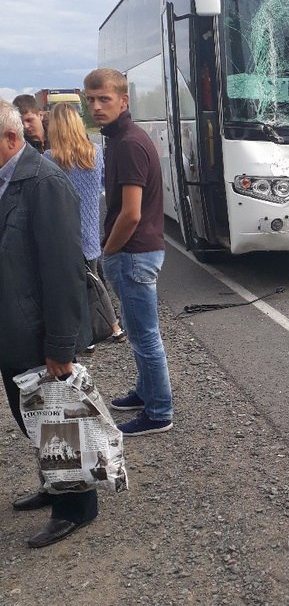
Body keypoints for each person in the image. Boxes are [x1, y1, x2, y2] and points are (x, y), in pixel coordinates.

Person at [0, 99, 98, 548]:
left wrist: (61, 346)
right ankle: (54, 482)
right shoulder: (9, 179)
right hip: (12, 327)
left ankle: (76, 506)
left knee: (58, 420)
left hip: (39, 331)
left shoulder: (44, 182)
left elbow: (64, 270)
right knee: (32, 418)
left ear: (10, 138)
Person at [83, 68, 174, 435]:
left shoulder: (129, 144)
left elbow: (131, 212)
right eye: (90, 99)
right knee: (139, 333)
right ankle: (144, 391)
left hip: (134, 253)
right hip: (137, 252)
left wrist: (108, 250)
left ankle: (158, 412)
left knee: (145, 335)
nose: (96, 106)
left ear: (124, 101)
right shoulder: (122, 139)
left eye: (104, 99)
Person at [43, 103, 125, 344]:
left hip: (64, 233)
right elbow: (104, 184)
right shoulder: (95, 151)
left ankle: (103, 331)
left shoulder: (49, 158)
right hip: (91, 228)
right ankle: (111, 327)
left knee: (82, 285)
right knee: (95, 277)